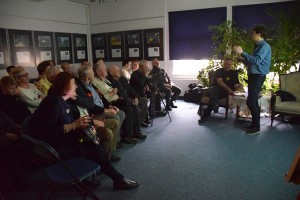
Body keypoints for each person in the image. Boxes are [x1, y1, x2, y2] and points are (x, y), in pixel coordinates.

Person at [26, 72, 139, 190]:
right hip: (53, 147)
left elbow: (76, 116)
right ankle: (117, 179)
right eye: (73, 84)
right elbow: (46, 132)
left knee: (93, 142)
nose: (76, 87)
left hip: (63, 138)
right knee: (94, 146)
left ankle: (106, 178)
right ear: (65, 86)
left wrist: (85, 125)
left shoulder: (64, 100)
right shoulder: (53, 102)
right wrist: (73, 126)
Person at [234, 24, 271, 135]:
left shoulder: (265, 46)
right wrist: (242, 60)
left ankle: (257, 127)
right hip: (254, 75)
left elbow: (256, 61)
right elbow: (252, 63)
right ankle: (254, 125)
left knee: (251, 101)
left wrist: (242, 52)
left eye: (253, 34)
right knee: (253, 101)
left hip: (258, 76)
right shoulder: (257, 46)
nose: (251, 36)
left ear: (259, 34)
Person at [198, 58, 243, 123]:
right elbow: (220, 82)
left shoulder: (234, 73)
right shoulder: (218, 71)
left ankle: (207, 113)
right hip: (216, 89)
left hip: (225, 93)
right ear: (223, 64)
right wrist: (229, 89)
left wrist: (239, 86)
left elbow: (235, 85)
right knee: (214, 89)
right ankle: (214, 105)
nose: (228, 65)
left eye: (230, 64)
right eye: (227, 64)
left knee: (213, 98)